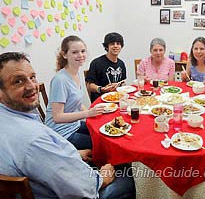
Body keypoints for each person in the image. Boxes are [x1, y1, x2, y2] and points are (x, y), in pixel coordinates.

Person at [0, 52, 135, 199]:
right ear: (64, 55)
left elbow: (42, 160)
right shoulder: (34, 140)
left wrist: (75, 154)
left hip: (47, 174)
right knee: (126, 171)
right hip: (74, 189)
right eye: (18, 81)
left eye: (32, 77)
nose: (32, 86)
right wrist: (104, 177)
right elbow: (83, 186)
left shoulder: (10, 119)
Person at [45, 36, 104, 150]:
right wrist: (88, 114)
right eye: (75, 52)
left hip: (74, 124)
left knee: (102, 132)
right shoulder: (60, 80)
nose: (81, 55)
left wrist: (92, 112)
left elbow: (77, 103)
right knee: (102, 144)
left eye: (82, 51)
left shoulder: (76, 73)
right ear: (64, 54)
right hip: (61, 133)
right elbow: (57, 117)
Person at [86, 32, 127, 102]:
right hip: (101, 101)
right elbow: (89, 86)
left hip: (117, 99)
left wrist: (118, 85)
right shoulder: (96, 63)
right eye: (112, 44)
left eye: (118, 43)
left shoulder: (121, 63)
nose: (115, 46)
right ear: (107, 46)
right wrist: (101, 89)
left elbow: (123, 82)